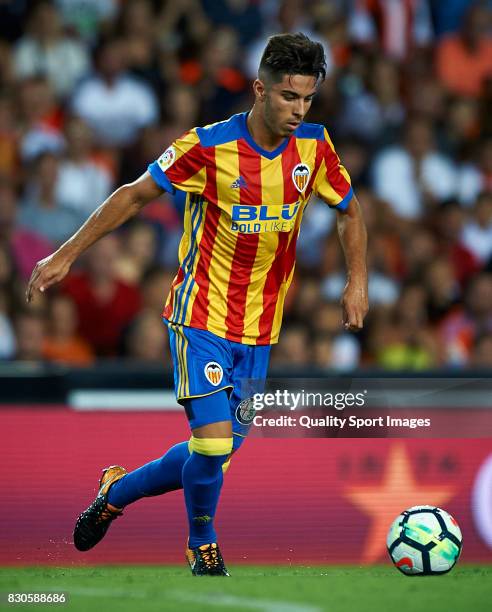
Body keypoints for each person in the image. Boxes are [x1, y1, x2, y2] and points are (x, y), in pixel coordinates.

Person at [26, 33, 368, 576]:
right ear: (259, 89)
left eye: (307, 98)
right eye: (288, 97)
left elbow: (350, 211)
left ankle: (117, 491)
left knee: (214, 453)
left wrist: (357, 283)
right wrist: (66, 254)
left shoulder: (315, 147)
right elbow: (135, 194)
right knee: (211, 446)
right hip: (200, 314)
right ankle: (201, 543)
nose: (298, 110)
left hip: (261, 327)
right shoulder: (207, 146)